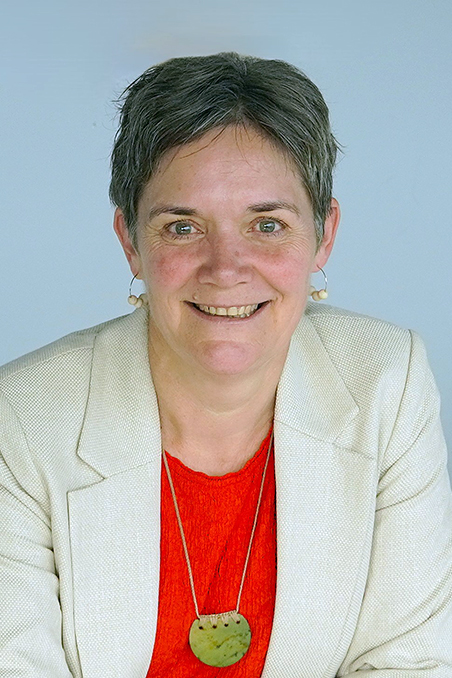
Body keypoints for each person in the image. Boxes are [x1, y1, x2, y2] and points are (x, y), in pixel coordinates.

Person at [0, 52, 451, 678]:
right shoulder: (22, 417)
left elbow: (411, 664)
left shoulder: (385, 384)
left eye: (267, 224)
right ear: (129, 240)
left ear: (324, 234)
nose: (226, 268)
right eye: (182, 228)